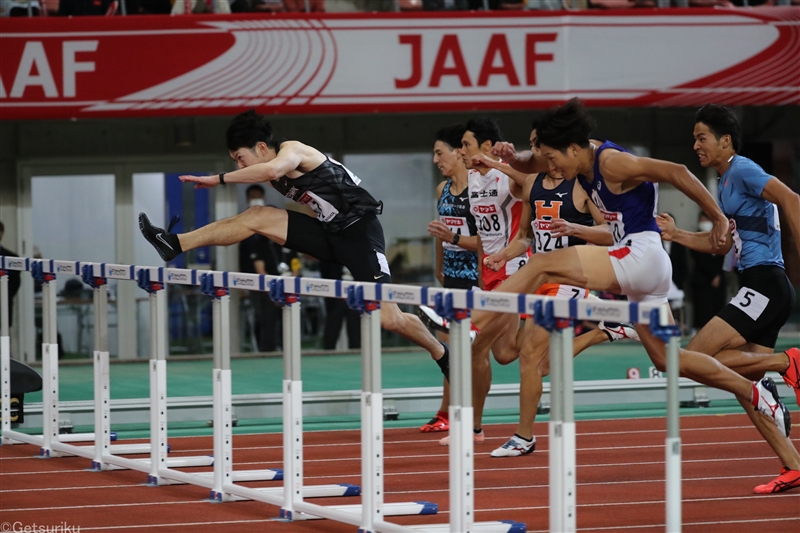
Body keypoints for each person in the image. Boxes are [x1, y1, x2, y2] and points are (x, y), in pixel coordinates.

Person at [460, 99, 791, 472]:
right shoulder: (573, 159)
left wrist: (716, 218)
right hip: (640, 272)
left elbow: (677, 171)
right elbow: (527, 164)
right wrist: (508, 155)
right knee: (670, 360)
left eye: (555, 160)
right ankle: (756, 393)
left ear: (573, 148)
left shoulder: (611, 162)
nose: (552, 168)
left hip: (641, 253)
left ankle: (473, 319)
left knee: (545, 264)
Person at [139, 109, 451, 378]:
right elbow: (311, 198)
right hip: (329, 233)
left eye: (240, 158)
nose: (238, 166)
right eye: (234, 162)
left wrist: (217, 179)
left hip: (361, 234)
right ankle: (175, 243)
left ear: (261, 147)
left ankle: (441, 352)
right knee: (258, 215)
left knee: (388, 318)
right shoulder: (272, 172)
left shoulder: (293, 151)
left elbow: (273, 169)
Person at [656, 103, 800, 494]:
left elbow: (792, 199)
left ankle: (786, 362)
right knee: (743, 385)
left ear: (725, 140)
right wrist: (677, 236)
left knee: (694, 357)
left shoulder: (744, 169)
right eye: (694, 138)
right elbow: (721, 245)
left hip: (766, 286)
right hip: (760, 285)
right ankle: (793, 464)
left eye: (701, 137)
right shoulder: (725, 182)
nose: (696, 144)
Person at [484, 121, 637, 457]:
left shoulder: (581, 186)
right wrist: (502, 255)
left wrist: (572, 228)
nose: (538, 154)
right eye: (534, 146)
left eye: (541, 146)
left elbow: (612, 232)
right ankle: (604, 331)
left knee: (529, 356)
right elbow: (525, 236)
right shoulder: (533, 185)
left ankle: (524, 437)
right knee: (513, 354)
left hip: (571, 277)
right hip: (539, 275)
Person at [419, 124, 480, 434]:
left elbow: (490, 241)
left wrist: (454, 238)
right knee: (449, 349)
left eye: (439, 153)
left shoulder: (480, 189)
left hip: (479, 280)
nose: (435, 160)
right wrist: (439, 266)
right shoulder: (442, 191)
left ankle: (465, 416)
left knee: (492, 351)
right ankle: (447, 412)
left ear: (459, 152)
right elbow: (439, 233)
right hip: (452, 279)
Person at [239, 184, 283, 352]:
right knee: (264, 317)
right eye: (253, 195)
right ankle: (265, 350)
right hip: (256, 281)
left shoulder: (279, 239)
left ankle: (283, 347)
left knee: (282, 317)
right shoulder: (243, 225)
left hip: (282, 281)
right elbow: (244, 257)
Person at [0, 221, 21, 326]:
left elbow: (15, 284)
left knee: (3, 339)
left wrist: (4, 295)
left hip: (3, 305)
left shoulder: (12, 258)